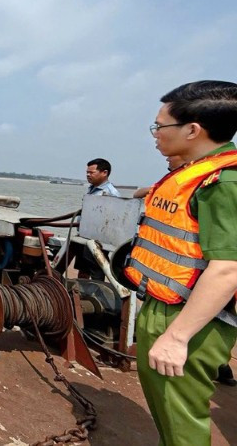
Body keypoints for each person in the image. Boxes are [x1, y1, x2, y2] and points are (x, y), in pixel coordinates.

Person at [123, 80, 237, 445]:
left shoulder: (223, 182)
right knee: (167, 417)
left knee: (181, 425)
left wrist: (177, 336)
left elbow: (228, 268)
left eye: (160, 125)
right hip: (166, 305)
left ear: (192, 130)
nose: (155, 134)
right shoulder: (192, 172)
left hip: (191, 318)